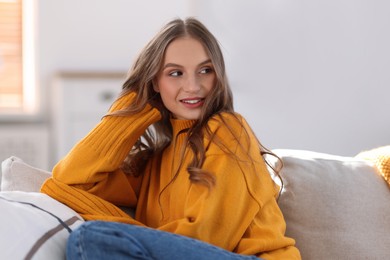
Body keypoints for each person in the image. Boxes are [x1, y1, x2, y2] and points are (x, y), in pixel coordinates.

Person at [41, 17, 301, 259]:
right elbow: (66, 182)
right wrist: (136, 105)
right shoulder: (153, 162)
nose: (193, 86)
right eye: (175, 73)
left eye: (205, 70)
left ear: (218, 75)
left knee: (92, 239)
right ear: (154, 82)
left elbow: (209, 236)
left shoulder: (228, 130)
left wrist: (130, 232)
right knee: (92, 239)